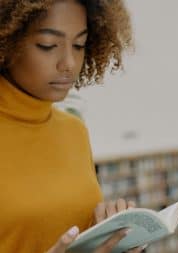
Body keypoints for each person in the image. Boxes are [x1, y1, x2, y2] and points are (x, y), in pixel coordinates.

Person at [0, 0, 142, 252]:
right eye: (48, 45)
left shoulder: (74, 131)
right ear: (6, 40)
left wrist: (107, 234)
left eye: (79, 45)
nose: (68, 63)